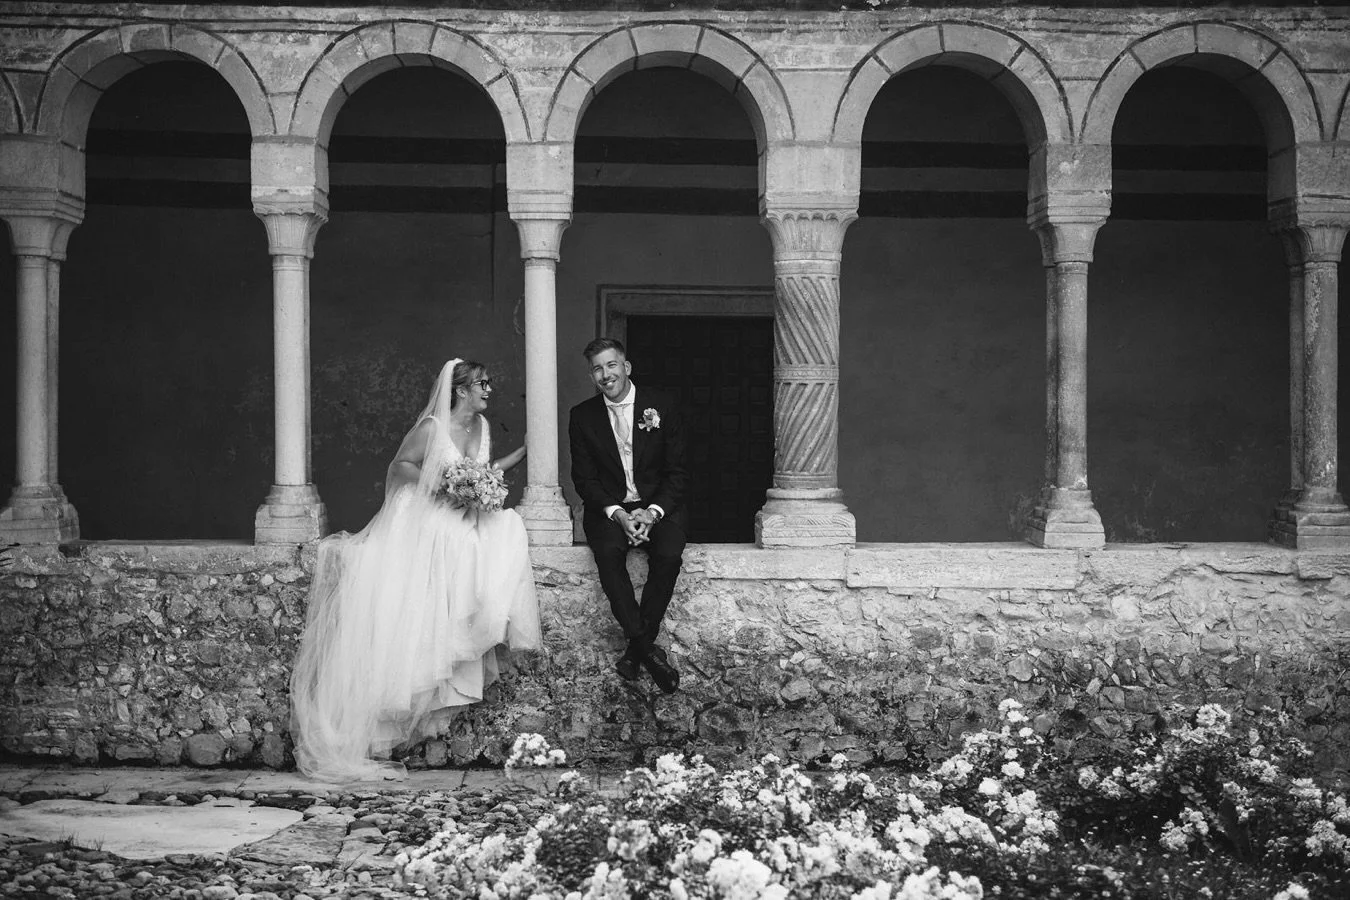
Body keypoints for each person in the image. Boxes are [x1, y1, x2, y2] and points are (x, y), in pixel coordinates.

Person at [290, 358, 540, 780]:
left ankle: (477, 620)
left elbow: (484, 473)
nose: (489, 389)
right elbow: (400, 467)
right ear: (460, 390)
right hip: (430, 513)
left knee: (507, 527)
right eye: (483, 383)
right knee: (456, 542)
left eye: (489, 383)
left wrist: (524, 452)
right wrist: (443, 482)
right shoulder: (431, 429)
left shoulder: (483, 429)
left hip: (465, 511)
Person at [568, 338, 687, 693]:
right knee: (608, 554)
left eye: (611, 365)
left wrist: (651, 513)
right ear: (591, 375)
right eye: (597, 369)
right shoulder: (582, 416)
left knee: (668, 555)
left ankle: (635, 653)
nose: (606, 375)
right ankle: (648, 650)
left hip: (659, 508)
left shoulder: (663, 406)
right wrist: (619, 514)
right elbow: (584, 479)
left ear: (627, 367)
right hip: (609, 511)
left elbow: (678, 472)